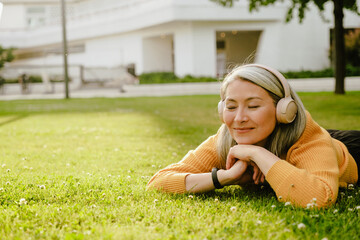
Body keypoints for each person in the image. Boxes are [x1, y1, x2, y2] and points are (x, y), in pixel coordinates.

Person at [146, 64, 359, 208]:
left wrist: (257, 153)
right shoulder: (225, 139)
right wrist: (223, 178)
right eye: (231, 106)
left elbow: (318, 198)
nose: (239, 118)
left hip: (351, 150)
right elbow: (159, 182)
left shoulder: (309, 139)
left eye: (253, 106)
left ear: (284, 110)